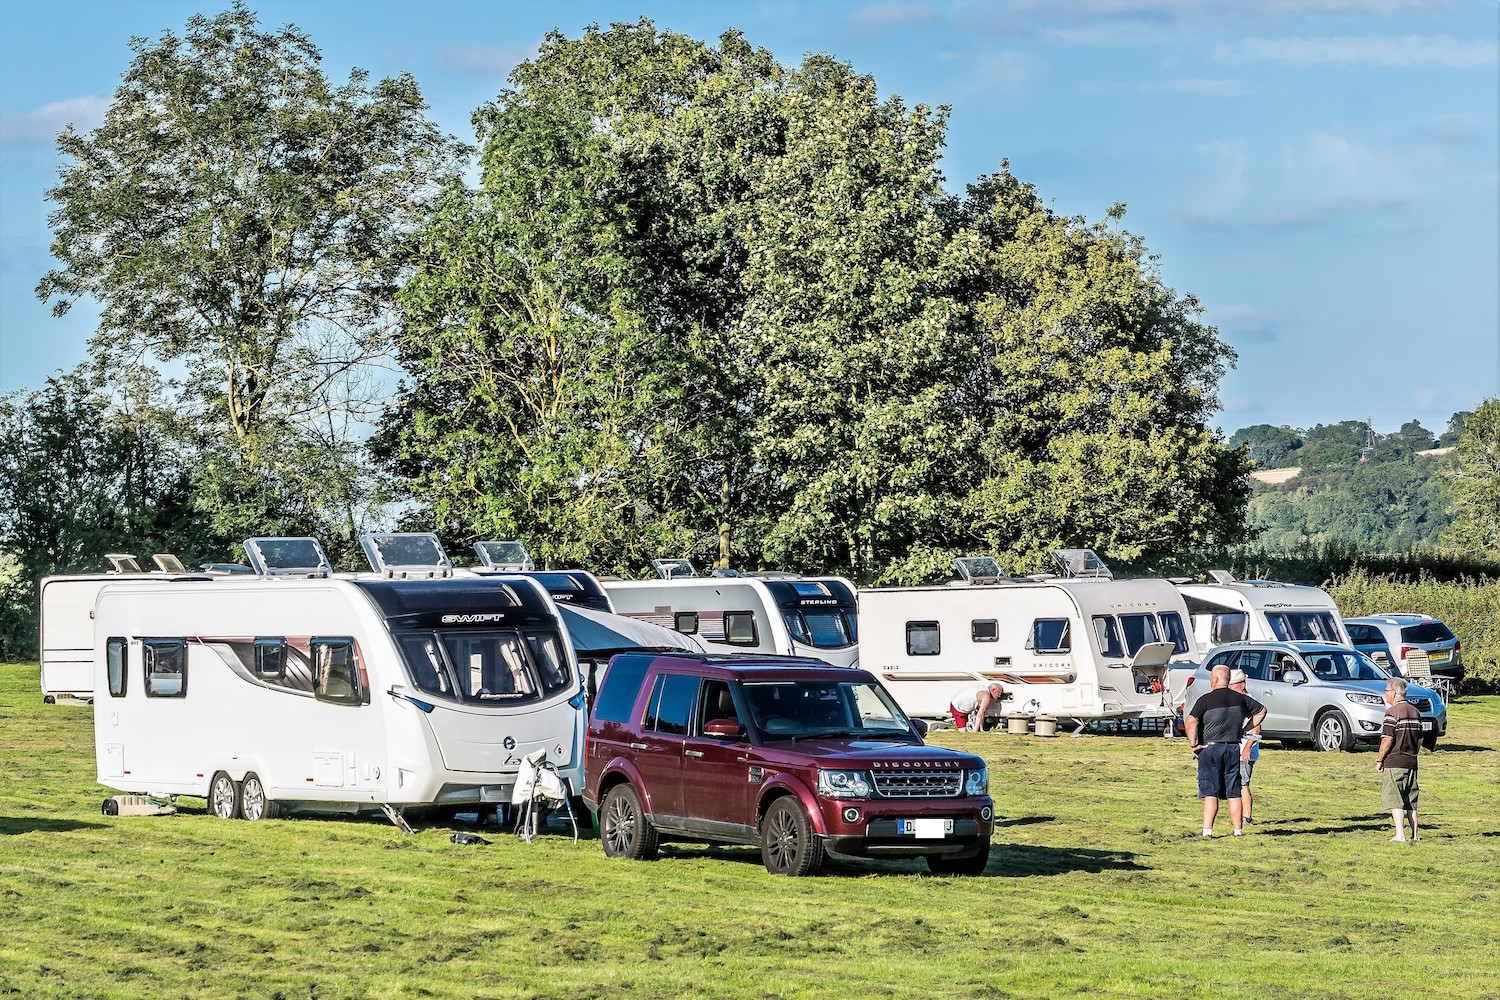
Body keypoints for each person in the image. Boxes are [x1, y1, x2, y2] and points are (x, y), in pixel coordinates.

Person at [1185, 665, 1267, 838]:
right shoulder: (1241, 699)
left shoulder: (1205, 700)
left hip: (1210, 748)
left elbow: (1191, 721)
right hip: (1232, 748)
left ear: (1215, 679)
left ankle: (1207, 831)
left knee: (1210, 792)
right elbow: (1261, 711)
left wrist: (1194, 745)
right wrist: (1246, 729)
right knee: (1234, 791)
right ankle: (1238, 831)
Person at [1376, 676, 1422, 842]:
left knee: (1396, 799)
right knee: (1411, 800)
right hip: (1412, 762)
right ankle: (1415, 835)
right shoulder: (1415, 712)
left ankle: (1400, 835)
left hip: (1395, 762)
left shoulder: (1392, 712)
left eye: (1387, 691)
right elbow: (1420, 740)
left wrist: (1380, 760)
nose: (1385, 694)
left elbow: (1387, 740)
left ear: (1394, 693)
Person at [1229, 668, 1260, 825]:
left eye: (1232, 685)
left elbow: (1257, 728)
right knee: (1236, 783)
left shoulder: (1250, 701)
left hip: (1244, 751)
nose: (1229, 688)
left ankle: (1247, 818)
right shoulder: (1237, 701)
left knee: (1243, 784)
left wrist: (1247, 747)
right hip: (1236, 749)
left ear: (1241, 685)